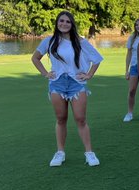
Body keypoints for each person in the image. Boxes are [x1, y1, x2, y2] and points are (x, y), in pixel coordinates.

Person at [31, 11, 103, 167]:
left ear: (72, 25)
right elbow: (35, 58)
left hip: (77, 84)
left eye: (68, 22)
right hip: (57, 84)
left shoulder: (80, 42)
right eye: (61, 21)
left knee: (80, 119)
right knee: (61, 119)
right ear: (57, 23)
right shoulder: (49, 41)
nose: (64, 24)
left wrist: (89, 75)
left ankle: (89, 153)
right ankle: (60, 153)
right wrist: (46, 74)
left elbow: (97, 59)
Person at [123, 18, 139, 122]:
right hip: (134, 66)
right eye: (137, 25)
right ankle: (129, 113)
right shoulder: (132, 37)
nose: (138, 27)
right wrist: (126, 70)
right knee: (132, 90)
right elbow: (128, 54)